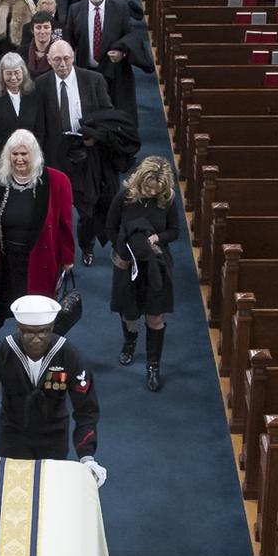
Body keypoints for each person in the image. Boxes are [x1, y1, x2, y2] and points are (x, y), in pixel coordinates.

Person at [0, 297, 102, 468]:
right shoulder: (2, 353)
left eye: (44, 332)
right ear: (19, 328)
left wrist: (87, 456)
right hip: (13, 437)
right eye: (29, 332)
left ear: (52, 328)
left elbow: (87, 410)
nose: (36, 338)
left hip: (54, 437)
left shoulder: (69, 356)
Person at [0, 130, 74, 346]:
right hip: (5, 261)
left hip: (41, 261)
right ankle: (13, 348)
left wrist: (67, 257)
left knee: (36, 312)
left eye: (24, 153)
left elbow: (65, 224)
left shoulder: (57, 181)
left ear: (35, 155)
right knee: (7, 305)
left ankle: (34, 349)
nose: (19, 159)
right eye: (14, 154)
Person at [106, 155, 179, 390]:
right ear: (140, 180)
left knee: (155, 316)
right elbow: (110, 226)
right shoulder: (125, 197)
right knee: (129, 312)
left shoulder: (166, 201)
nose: (150, 192)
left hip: (156, 264)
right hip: (127, 264)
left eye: (155, 189)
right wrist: (122, 248)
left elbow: (174, 231)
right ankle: (130, 342)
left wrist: (158, 237)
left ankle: (153, 365)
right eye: (147, 187)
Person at [36, 40, 112, 264]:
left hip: (86, 153)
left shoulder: (93, 80)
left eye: (66, 58)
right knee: (56, 210)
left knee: (87, 207)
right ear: (49, 60)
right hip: (54, 155)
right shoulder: (40, 85)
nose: (62, 64)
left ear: (74, 57)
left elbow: (107, 115)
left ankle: (86, 247)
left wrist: (94, 137)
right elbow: (38, 124)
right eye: (57, 59)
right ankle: (58, 251)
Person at [65, 0, 138, 124]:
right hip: (86, 73)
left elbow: (131, 37)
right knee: (91, 117)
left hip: (113, 72)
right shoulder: (75, 10)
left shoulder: (121, 8)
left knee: (113, 117)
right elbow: (68, 42)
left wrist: (122, 53)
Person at [0, 53, 47, 172]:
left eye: (16, 72)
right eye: (9, 73)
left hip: (29, 161)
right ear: (1, 74)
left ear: (23, 72)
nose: (13, 78)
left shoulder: (34, 96)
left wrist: (31, 158)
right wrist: (0, 164)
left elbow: (40, 131)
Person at [26, 10, 56, 77]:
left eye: (46, 27)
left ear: (52, 30)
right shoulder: (22, 52)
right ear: (32, 30)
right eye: (38, 27)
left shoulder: (59, 52)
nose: (42, 31)